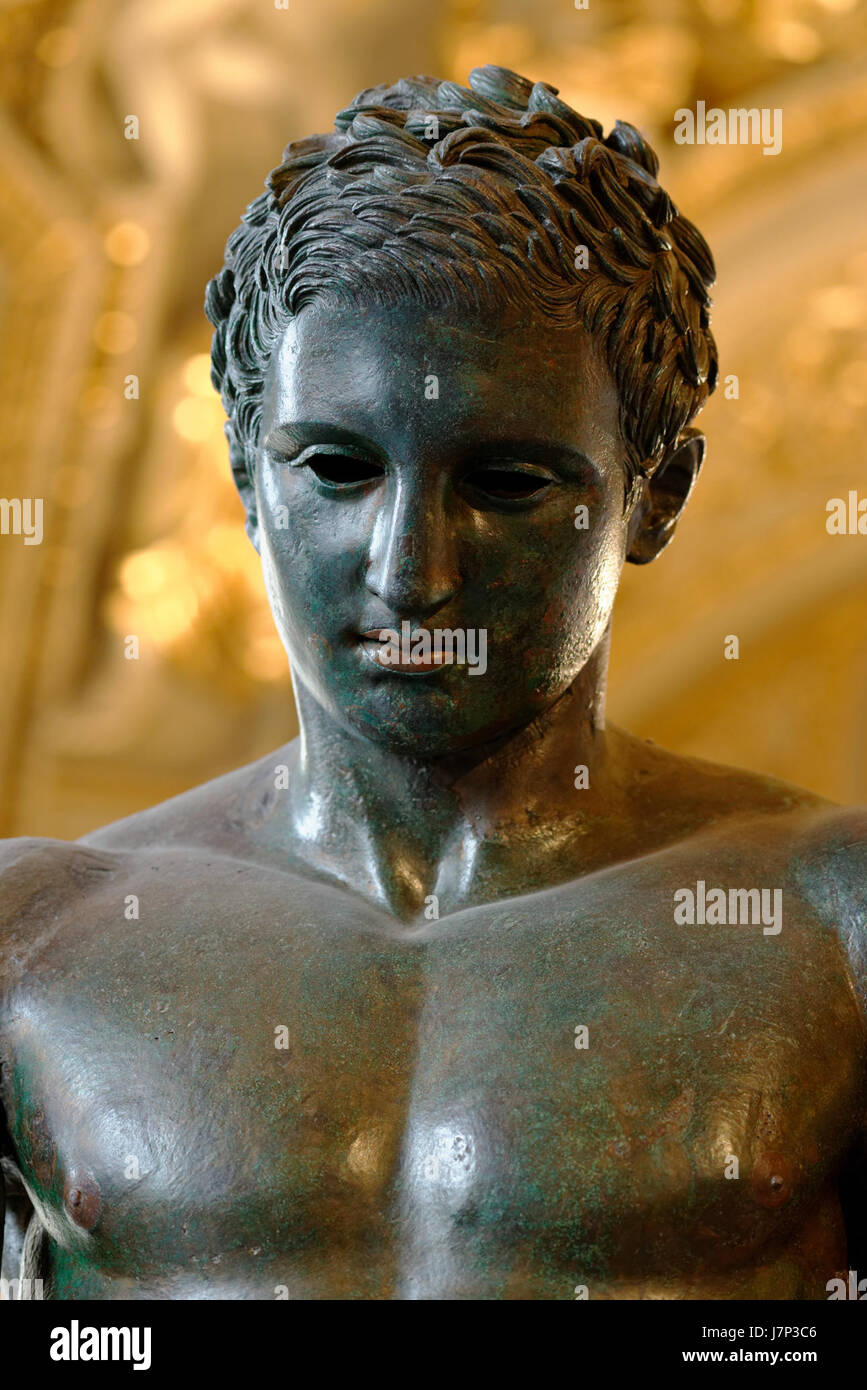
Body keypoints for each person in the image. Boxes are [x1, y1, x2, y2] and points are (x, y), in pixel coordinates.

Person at [1, 65, 864, 1300]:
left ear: (656, 493)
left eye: (507, 484)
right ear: (248, 479)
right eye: (339, 470)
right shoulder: (33, 944)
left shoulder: (835, 928)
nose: (413, 573)